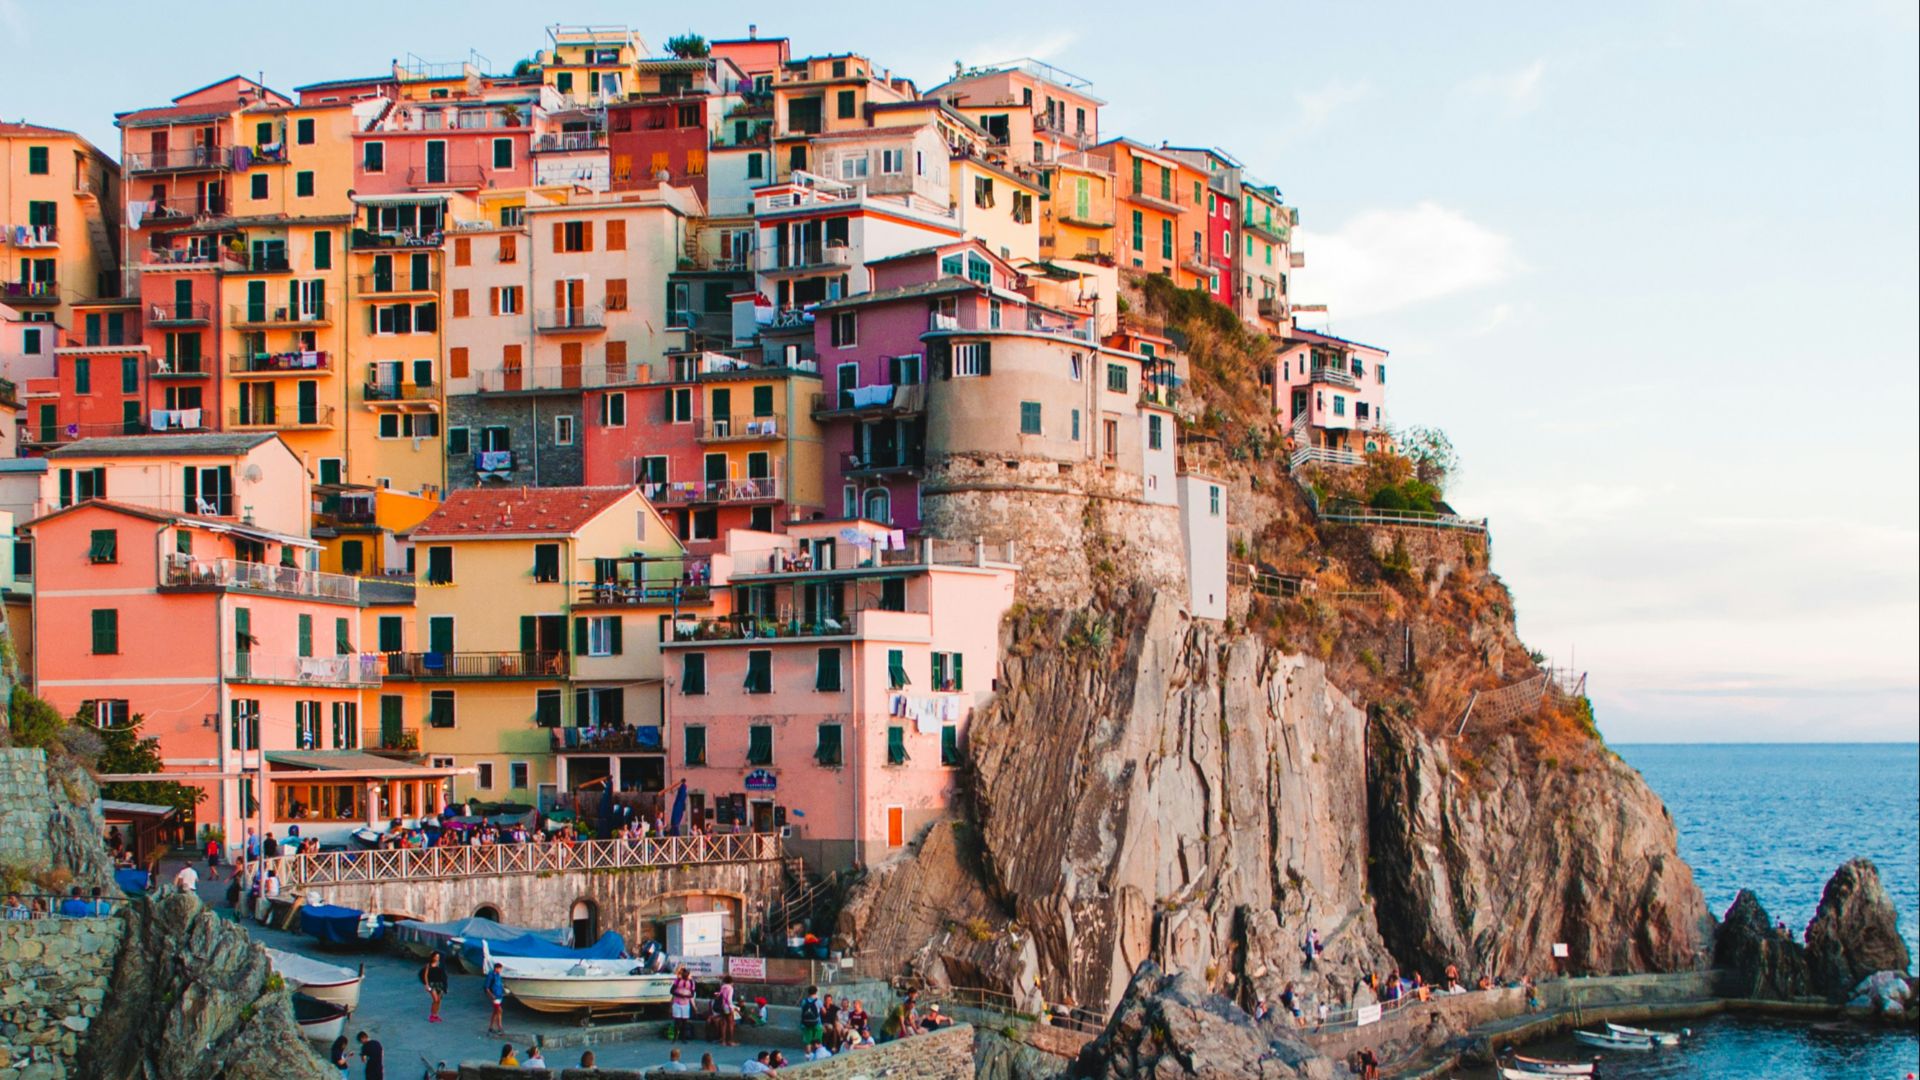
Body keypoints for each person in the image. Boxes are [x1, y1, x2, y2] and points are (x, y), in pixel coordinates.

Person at [669, 966, 697, 1038]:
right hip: (677, 1002)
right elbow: (671, 991)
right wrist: (680, 995)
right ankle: (675, 1036)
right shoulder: (678, 981)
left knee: (684, 1021)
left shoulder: (691, 982)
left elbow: (692, 994)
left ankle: (683, 1037)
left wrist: (686, 997)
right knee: (677, 1020)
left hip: (686, 1003)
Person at [421, 952, 448, 1022]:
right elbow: (426, 975)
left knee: (438, 1001)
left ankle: (435, 1015)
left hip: (439, 984)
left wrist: (445, 986)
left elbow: (444, 975)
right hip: (431, 984)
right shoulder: (429, 965)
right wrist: (426, 984)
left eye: (438, 957)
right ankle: (432, 1015)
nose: (437, 958)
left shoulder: (441, 964)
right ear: (433, 957)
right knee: (435, 1000)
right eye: (436, 956)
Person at [711, 974, 737, 1047]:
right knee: (731, 1024)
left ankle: (723, 1041)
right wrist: (731, 1008)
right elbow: (729, 999)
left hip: (722, 1006)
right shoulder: (730, 988)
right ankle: (730, 1041)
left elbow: (720, 995)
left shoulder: (723, 987)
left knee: (723, 1024)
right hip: (728, 1007)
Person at [485, 962, 507, 1035]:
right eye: (500, 969)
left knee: (495, 1012)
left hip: (499, 995)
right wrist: (491, 995)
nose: (501, 970)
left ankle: (490, 1027)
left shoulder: (498, 975)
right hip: (494, 996)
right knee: (499, 1010)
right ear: (496, 968)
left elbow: (499, 984)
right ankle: (499, 1027)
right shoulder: (491, 975)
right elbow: (487, 987)